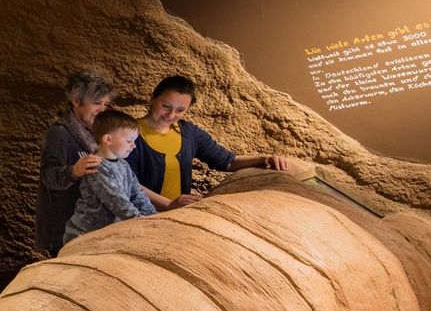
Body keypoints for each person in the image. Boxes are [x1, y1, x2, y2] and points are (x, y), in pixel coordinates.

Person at [129, 75, 294, 210]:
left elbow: (227, 161)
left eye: (180, 110)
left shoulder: (190, 132)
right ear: (152, 99)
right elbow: (129, 183)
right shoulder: (128, 133)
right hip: (139, 215)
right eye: (166, 106)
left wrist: (265, 159)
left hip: (178, 214)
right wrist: (169, 204)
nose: (171, 115)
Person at [37, 70, 116, 256]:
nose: (102, 110)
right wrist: (73, 171)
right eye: (97, 103)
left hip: (91, 229)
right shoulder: (59, 134)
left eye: (105, 104)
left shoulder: (97, 136)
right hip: (66, 231)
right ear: (76, 101)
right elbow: (49, 176)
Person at [63, 110, 156, 244]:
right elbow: (116, 200)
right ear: (108, 139)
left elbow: (137, 194)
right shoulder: (96, 166)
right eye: (129, 140)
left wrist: (154, 218)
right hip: (84, 234)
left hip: (107, 233)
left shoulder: (123, 165)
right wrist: (142, 223)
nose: (134, 146)